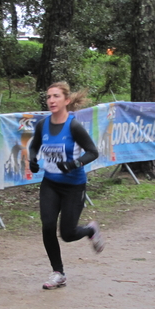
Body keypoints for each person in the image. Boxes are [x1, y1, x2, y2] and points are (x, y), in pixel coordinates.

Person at [28, 81, 104, 290]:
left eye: (56, 96)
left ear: (66, 101)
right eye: (48, 97)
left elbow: (92, 152)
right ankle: (58, 272)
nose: (51, 100)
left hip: (73, 186)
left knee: (68, 234)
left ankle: (90, 230)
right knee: (48, 226)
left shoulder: (73, 126)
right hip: (50, 183)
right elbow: (34, 146)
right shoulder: (43, 125)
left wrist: (73, 163)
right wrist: (33, 160)